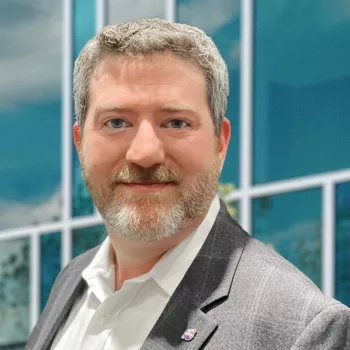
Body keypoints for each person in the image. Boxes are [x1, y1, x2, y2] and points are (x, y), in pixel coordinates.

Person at [26, 18, 349, 350]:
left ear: (220, 143)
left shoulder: (301, 330)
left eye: (176, 122)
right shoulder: (73, 279)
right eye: (117, 122)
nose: (145, 154)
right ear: (80, 143)